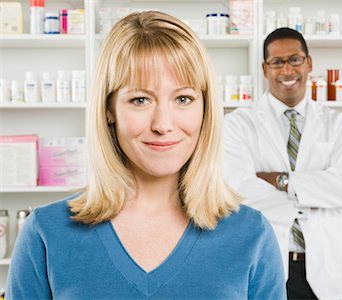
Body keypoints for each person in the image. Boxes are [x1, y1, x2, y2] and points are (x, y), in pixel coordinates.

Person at [7, 11, 286, 299]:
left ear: (206, 109)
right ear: (108, 109)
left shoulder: (251, 235)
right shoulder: (46, 234)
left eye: (183, 99)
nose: (163, 124)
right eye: (140, 100)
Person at [223, 27, 342, 299]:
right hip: (269, 262)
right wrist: (320, 191)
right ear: (265, 69)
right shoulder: (238, 124)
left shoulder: (336, 124)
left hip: (332, 269)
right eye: (277, 62)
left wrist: (284, 181)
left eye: (295, 60)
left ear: (309, 63)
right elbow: (237, 191)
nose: (287, 70)